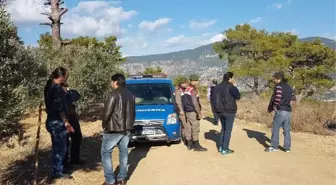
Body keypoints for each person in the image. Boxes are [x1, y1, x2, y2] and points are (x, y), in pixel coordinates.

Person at [101, 73, 135, 185]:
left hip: (114, 129)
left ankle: (110, 180)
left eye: (112, 81)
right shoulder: (131, 94)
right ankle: (122, 178)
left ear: (115, 82)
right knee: (124, 153)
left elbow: (107, 112)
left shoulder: (113, 94)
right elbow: (133, 112)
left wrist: (104, 125)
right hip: (127, 129)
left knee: (106, 152)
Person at [44, 67, 74, 179]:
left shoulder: (49, 86)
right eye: (65, 76)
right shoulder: (57, 89)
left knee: (59, 147)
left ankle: (60, 168)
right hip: (57, 122)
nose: (66, 79)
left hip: (51, 120)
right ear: (61, 77)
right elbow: (59, 108)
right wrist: (66, 122)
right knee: (60, 149)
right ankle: (57, 173)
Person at [266, 71, 296, 153]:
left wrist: (275, 107)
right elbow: (293, 99)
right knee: (286, 130)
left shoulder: (279, 86)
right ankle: (287, 148)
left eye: (274, 79)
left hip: (280, 110)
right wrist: (288, 105)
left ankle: (274, 146)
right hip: (288, 110)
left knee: (275, 128)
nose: (273, 81)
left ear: (278, 79)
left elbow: (278, 97)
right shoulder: (289, 87)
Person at [214, 72, 241, 155]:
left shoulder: (217, 87)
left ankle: (221, 147)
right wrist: (235, 86)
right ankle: (225, 149)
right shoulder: (231, 87)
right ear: (230, 79)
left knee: (223, 129)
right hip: (229, 111)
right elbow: (238, 96)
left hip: (220, 111)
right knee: (228, 131)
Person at [62, 83, 85, 169]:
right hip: (63, 119)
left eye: (66, 87)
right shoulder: (57, 95)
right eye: (64, 87)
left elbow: (77, 96)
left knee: (77, 137)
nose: (65, 88)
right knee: (64, 142)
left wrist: (68, 91)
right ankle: (64, 165)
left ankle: (75, 159)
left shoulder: (69, 94)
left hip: (72, 118)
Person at [183, 75, 207, 151]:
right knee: (195, 128)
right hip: (193, 111)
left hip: (187, 111)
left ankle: (189, 145)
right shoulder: (192, 90)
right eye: (197, 81)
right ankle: (196, 145)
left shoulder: (186, 89)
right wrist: (199, 113)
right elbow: (195, 103)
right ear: (193, 81)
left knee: (188, 128)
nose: (197, 82)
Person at [174, 77, 189, 146]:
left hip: (184, 110)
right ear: (182, 83)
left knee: (184, 126)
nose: (186, 84)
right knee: (185, 126)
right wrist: (181, 110)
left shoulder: (183, 90)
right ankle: (187, 140)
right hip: (181, 111)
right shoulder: (178, 91)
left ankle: (185, 138)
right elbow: (178, 102)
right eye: (185, 83)